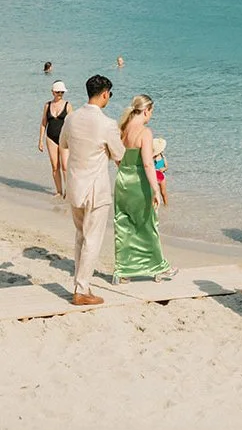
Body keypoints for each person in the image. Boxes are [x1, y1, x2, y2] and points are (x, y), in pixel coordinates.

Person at [58, 74, 125, 306]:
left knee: (80, 237)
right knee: (92, 240)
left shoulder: (72, 118)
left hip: (75, 185)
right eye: (110, 94)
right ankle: (82, 288)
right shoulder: (107, 124)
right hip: (96, 189)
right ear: (105, 93)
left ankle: (80, 284)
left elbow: (63, 143)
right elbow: (120, 156)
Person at [113, 94, 175, 283]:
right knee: (148, 224)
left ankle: (122, 270)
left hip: (122, 180)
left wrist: (126, 170)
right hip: (139, 183)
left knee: (124, 225)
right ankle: (158, 266)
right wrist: (156, 190)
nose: (151, 116)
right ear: (147, 110)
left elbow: (117, 157)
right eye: (151, 112)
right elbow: (148, 164)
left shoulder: (122, 129)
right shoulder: (145, 132)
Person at [38, 80, 73, 197]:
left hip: (64, 139)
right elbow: (44, 123)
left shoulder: (68, 105)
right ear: (53, 92)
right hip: (50, 137)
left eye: (62, 92)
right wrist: (40, 140)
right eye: (58, 92)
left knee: (65, 167)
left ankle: (68, 192)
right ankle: (59, 191)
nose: (60, 94)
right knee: (55, 166)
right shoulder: (47, 105)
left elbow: (73, 124)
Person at [152, 136, 169, 205]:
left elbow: (166, 166)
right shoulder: (151, 158)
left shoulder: (163, 157)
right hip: (153, 176)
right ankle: (153, 205)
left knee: (163, 192)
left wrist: (164, 169)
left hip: (162, 176)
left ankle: (166, 204)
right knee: (154, 193)